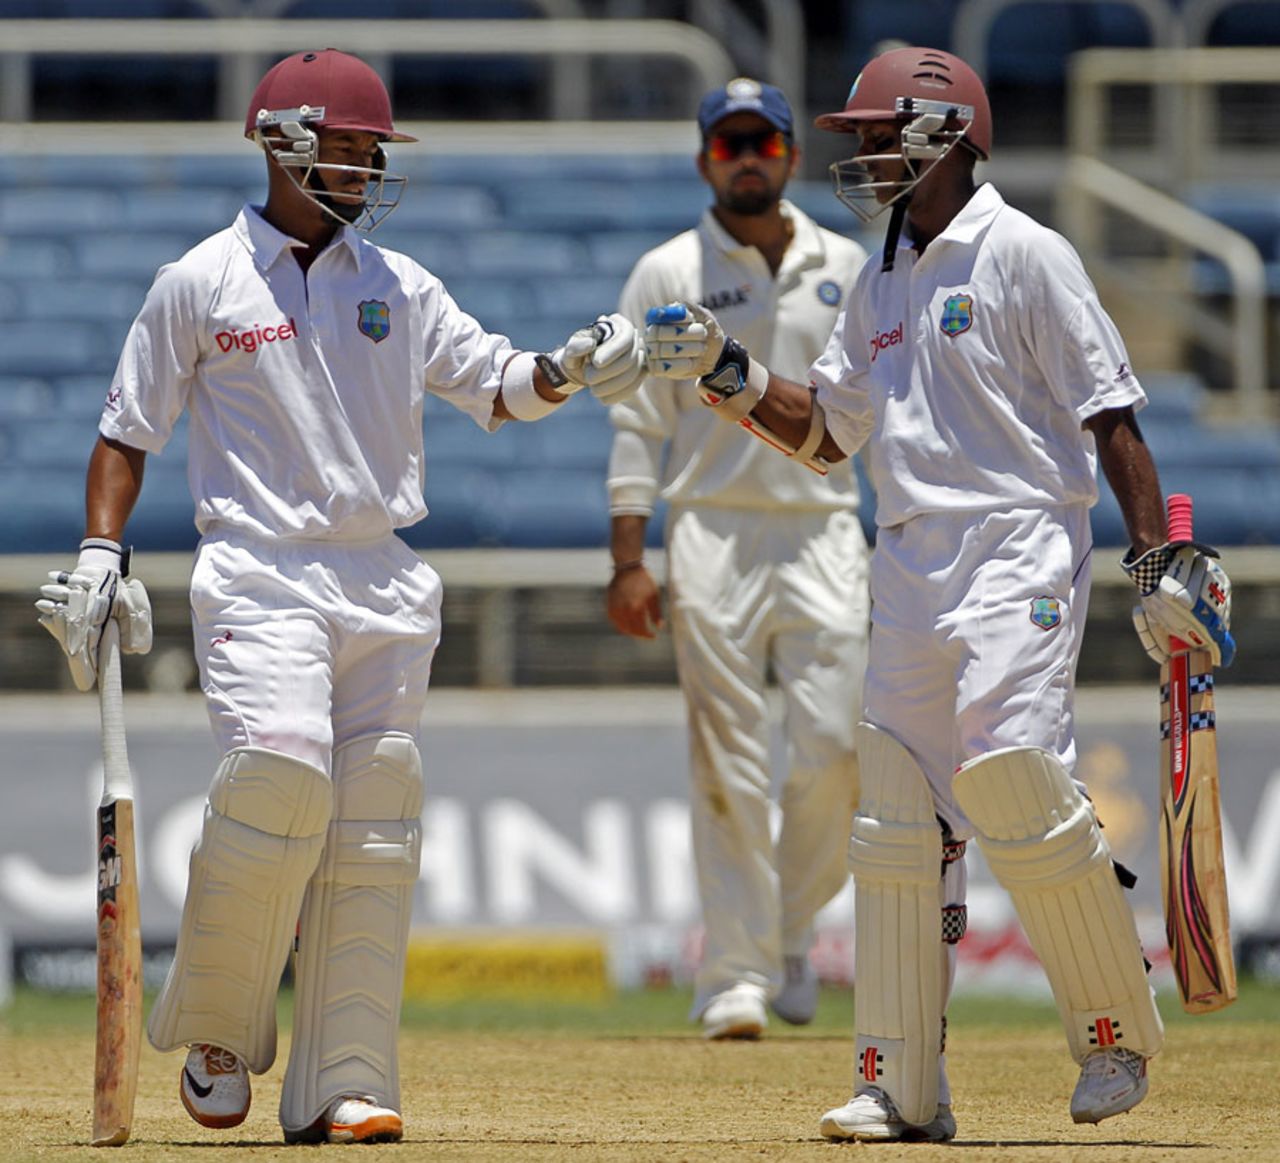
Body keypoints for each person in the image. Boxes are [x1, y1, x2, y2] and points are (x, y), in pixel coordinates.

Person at [35, 48, 645, 1146]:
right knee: (279, 774)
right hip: (260, 568)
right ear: (283, 142)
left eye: (375, 151)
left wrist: (567, 368)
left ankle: (339, 1078)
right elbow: (127, 430)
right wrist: (98, 549)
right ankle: (220, 1025)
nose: (367, 167)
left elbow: (496, 387)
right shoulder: (200, 279)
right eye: (352, 148)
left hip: (383, 575)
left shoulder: (399, 286)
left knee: (371, 823)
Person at [642, 46, 1234, 1140]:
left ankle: (1113, 1028)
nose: (860, 153)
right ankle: (898, 1081)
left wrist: (1153, 560)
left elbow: (1112, 418)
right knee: (895, 816)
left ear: (943, 132)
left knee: (1011, 771)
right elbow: (825, 432)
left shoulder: (1025, 252)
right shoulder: (878, 272)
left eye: (877, 133)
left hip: (1018, 540)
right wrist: (725, 370)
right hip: (906, 554)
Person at [605, 78, 870, 1041]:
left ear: (793, 155)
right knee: (728, 758)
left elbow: (866, 410)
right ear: (704, 159)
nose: (748, 157)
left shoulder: (849, 262)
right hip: (711, 527)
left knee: (835, 750)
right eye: (729, 145)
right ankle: (736, 974)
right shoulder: (665, 271)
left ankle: (791, 934)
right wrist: (630, 558)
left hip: (825, 524)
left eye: (763, 141)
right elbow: (636, 421)